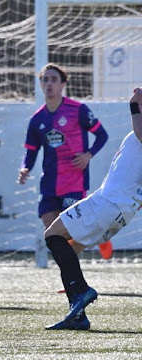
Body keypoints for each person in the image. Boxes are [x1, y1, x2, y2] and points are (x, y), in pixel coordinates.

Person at [43, 87, 142, 331]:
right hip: (121, 210)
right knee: (71, 246)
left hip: (108, 203)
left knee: (52, 235)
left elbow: (140, 130)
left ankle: (81, 291)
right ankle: (77, 313)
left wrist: (134, 105)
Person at [18, 63, 110, 268]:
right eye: (45, 79)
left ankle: (72, 278)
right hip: (49, 182)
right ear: (41, 84)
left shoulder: (78, 110)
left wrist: (88, 155)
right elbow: (31, 151)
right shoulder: (37, 119)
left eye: (54, 79)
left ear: (63, 84)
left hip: (74, 180)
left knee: (71, 230)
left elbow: (102, 135)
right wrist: (25, 168)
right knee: (52, 232)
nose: (49, 83)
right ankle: (95, 239)